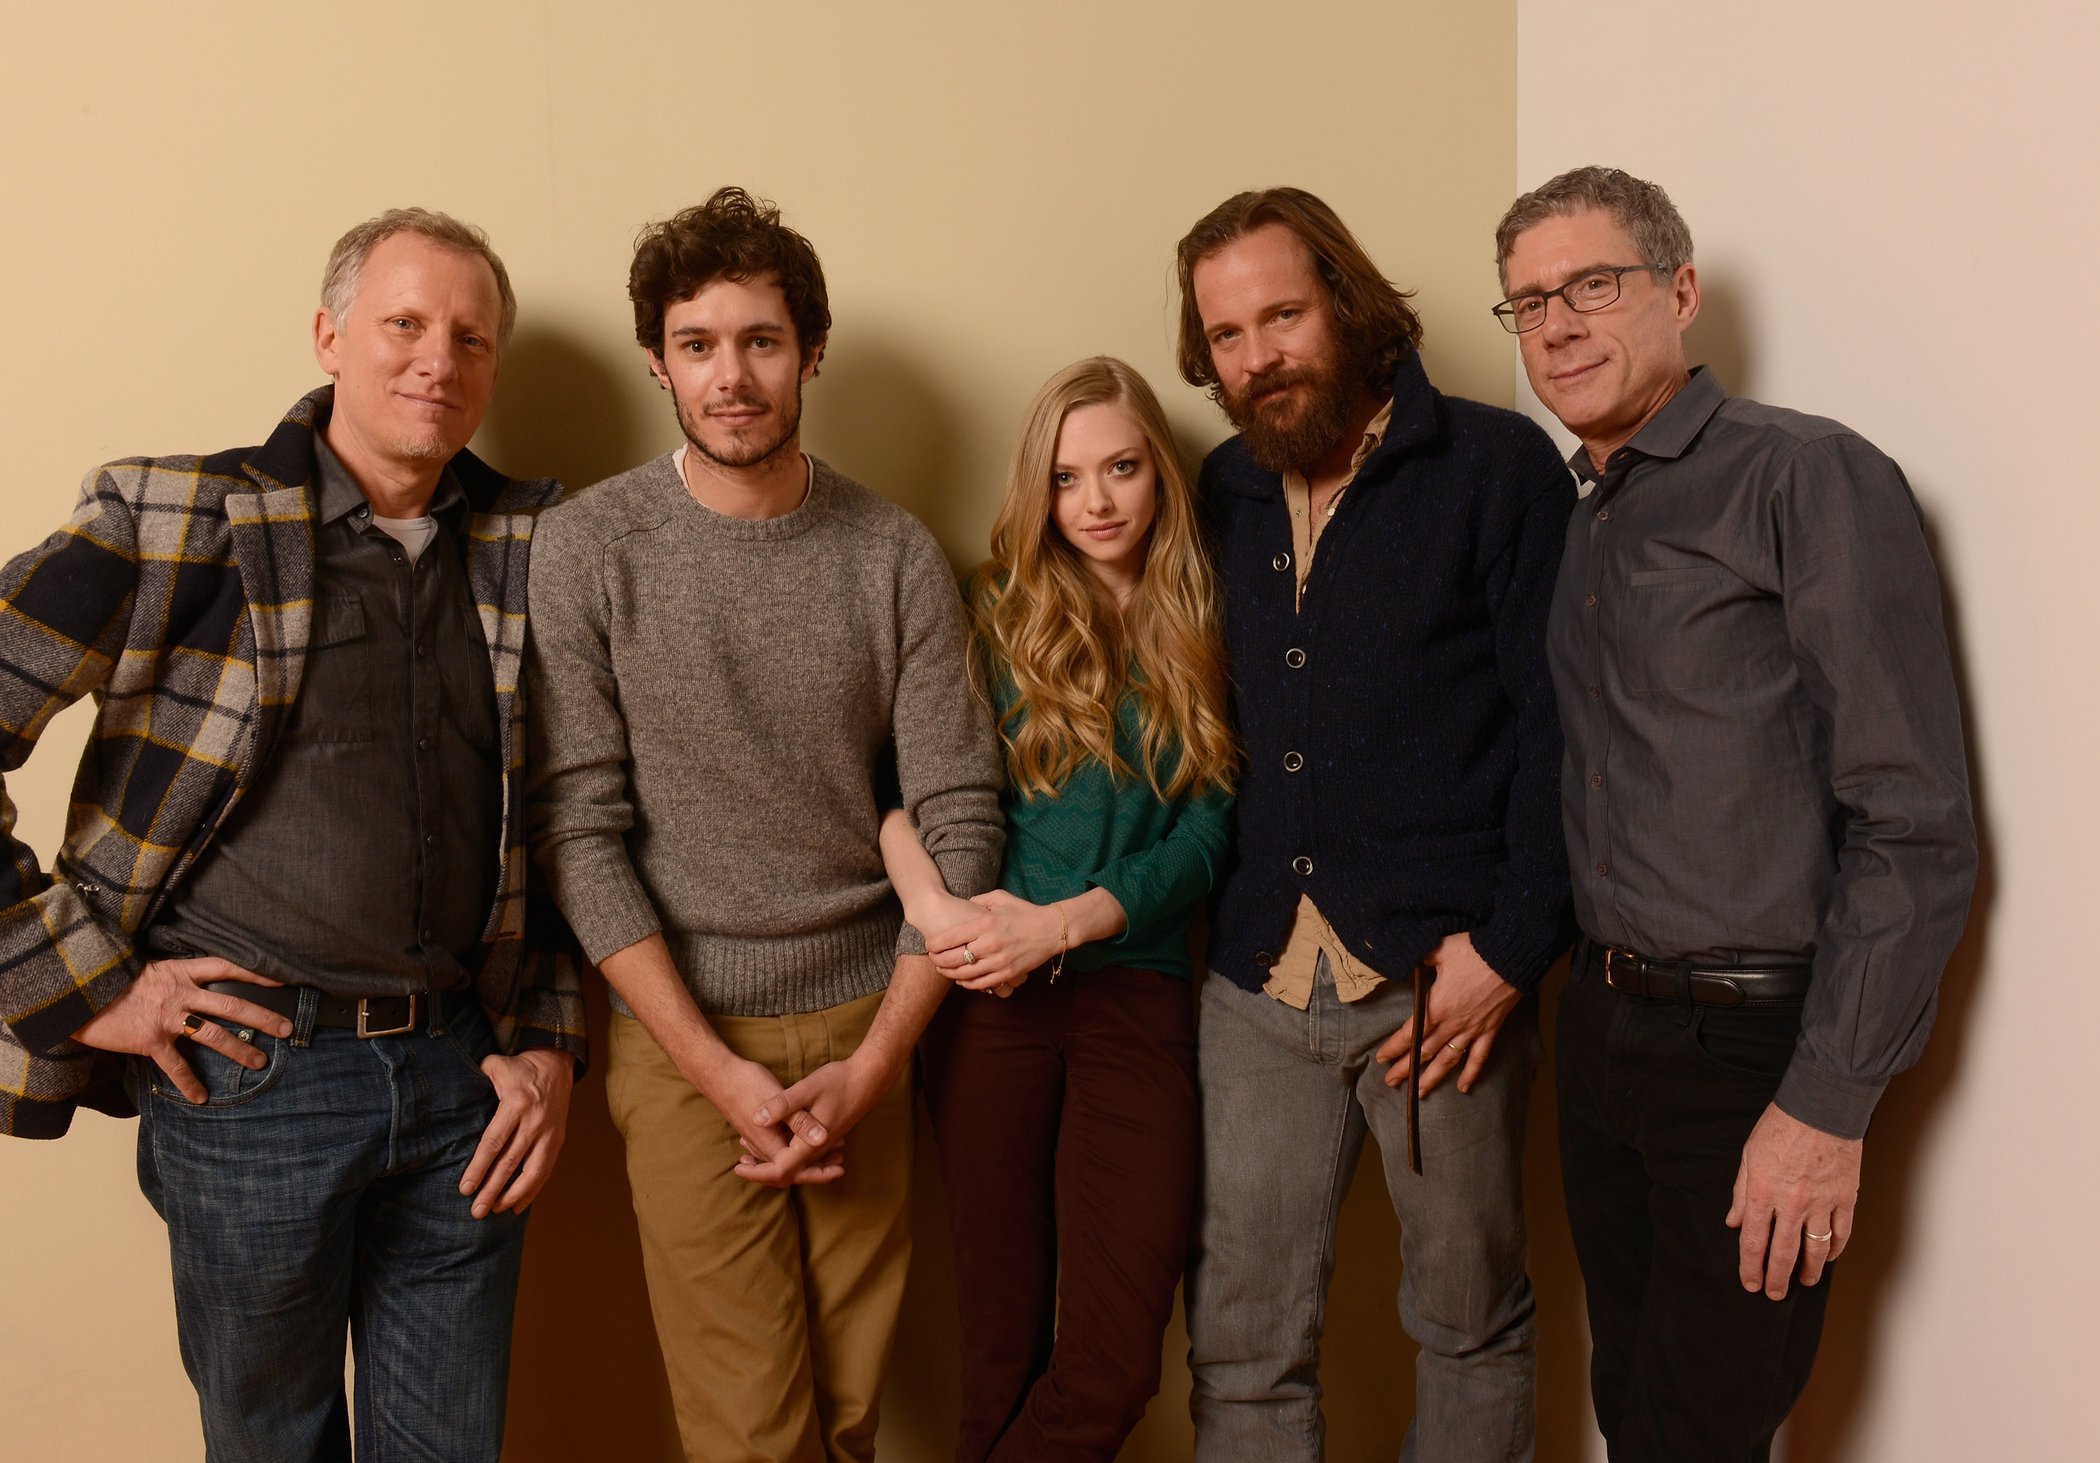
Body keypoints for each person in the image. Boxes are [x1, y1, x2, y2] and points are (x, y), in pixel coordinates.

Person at [0, 208, 585, 1461]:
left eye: (471, 337)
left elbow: (571, 820)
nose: (439, 358)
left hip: (463, 1088)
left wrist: (550, 1045)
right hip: (253, 1083)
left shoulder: (541, 547)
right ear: (329, 336)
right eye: (405, 323)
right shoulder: (175, 520)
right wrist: (80, 986)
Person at [1492, 164, 1977, 1460]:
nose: (1558, 324)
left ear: (1680, 290)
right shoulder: (1585, 517)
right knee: (1635, 1407)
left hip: (1751, 1045)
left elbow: (1915, 821)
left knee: (1700, 1430)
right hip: (1601, 1027)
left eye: (1593, 284)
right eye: (1529, 301)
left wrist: (1825, 1103)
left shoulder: (1806, 476)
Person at [524, 186, 1004, 1463]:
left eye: (761, 341)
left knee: (847, 1416)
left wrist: (882, 1056)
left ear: (809, 350)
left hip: (872, 1018)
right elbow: (579, 827)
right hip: (682, 1031)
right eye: (698, 344)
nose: (731, 376)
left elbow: (958, 813)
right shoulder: (587, 549)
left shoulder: (892, 552)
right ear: (657, 360)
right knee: (751, 1428)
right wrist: (712, 1068)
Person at [1173, 188, 1574, 1461]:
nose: (1259, 356)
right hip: (1255, 984)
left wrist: (1511, 950)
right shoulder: (1223, 485)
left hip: (1439, 987)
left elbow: (1564, 733)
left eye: (1282, 316)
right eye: (1228, 335)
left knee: (1466, 1319)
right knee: (1242, 1338)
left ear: (1344, 305)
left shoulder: (1498, 471)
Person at [879, 355, 1236, 1461]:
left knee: (1117, 1355)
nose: (1095, 500)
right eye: (1067, 476)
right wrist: (939, 914)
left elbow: (1214, 831)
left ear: (1158, 476)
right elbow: (892, 797)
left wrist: (1070, 919)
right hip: (989, 1003)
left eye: (1122, 467)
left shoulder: (1213, 615)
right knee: (999, 1341)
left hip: (1140, 996)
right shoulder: (990, 609)